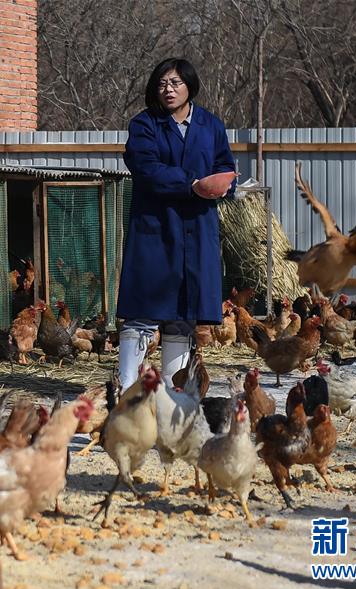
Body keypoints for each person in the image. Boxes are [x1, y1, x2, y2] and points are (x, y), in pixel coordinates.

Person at [116, 58, 236, 393]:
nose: (168, 90)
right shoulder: (145, 125)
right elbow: (146, 167)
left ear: (189, 86)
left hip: (197, 230)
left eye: (175, 83)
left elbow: (224, 164)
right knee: (143, 308)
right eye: (162, 84)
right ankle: (126, 388)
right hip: (155, 229)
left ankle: (174, 391)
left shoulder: (211, 125)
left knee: (183, 312)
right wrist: (193, 184)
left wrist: (226, 184)